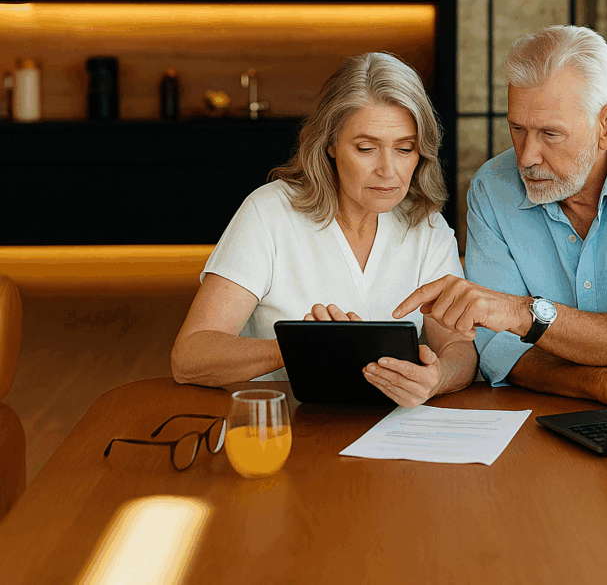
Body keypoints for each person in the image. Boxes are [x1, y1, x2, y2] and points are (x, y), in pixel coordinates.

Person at [393, 25, 607, 405]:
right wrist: (598, 384)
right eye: (517, 129)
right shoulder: (492, 188)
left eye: (550, 134)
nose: (527, 157)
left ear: (606, 125)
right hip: (551, 410)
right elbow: (499, 351)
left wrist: (524, 314)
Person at [171, 52, 478, 407]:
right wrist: (301, 346)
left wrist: (437, 378)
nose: (388, 170)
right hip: (288, 422)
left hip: (392, 425)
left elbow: (458, 347)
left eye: (405, 149)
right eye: (366, 148)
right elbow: (189, 357)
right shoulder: (269, 213)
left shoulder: (426, 225)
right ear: (330, 143)